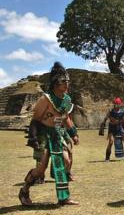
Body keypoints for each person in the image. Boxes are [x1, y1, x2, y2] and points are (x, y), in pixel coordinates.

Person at [19, 62, 79, 206]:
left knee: (65, 161)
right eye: (63, 81)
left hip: (57, 133)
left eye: (67, 81)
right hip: (43, 134)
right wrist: (33, 138)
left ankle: (63, 197)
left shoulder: (66, 99)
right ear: (55, 83)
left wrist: (73, 133)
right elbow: (35, 120)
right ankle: (24, 190)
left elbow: (66, 118)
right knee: (41, 168)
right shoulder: (45, 99)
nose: (66, 84)